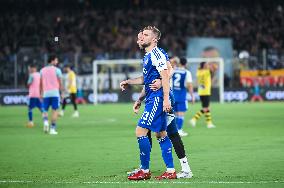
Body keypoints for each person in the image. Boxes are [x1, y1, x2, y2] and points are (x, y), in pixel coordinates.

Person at [120, 26, 176, 180]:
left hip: (157, 99)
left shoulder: (156, 54)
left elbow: (166, 74)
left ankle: (144, 171)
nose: (142, 37)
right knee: (160, 134)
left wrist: (165, 98)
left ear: (154, 39)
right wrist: (135, 92)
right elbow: (146, 81)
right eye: (141, 34)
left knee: (140, 131)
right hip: (153, 98)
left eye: (146, 35)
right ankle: (170, 171)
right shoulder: (148, 56)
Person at [190, 62, 217, 128]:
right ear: (204, 66)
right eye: (207, 65)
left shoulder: (198, 72)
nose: (208, 66)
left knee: (207, 107)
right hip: (206, 91)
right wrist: (213, 67)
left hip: (201, 91)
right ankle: (194, 119)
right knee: (205, 108)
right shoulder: (207, 71)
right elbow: (214, 70)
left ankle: (209, 123)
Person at [172, 57, 195, 136]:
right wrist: (192, 96)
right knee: (181, 114)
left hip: (172, 95)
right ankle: (179, 130)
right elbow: (190, 85)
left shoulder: (173, 70)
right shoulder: (186, 72)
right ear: (186, 64)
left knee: (174, 114)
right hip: (181, 95)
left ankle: (172, 131)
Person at [40, 54, 63, 135]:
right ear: (52, 61)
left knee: (44, 110)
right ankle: (52, 129)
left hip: (46, 93)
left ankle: (46, 121)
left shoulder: (42, 70)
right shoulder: (57, 70)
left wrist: (41, 93)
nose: (57, 62)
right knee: (54, 111)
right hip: (55, 93)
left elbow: (41, 83)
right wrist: (62, 93)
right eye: (56, 60)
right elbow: (60, 83)